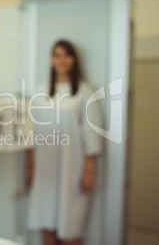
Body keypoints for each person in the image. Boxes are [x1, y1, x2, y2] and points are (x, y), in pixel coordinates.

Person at [26, 40, 102, 245]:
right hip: (44, 166)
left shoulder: (85, 91)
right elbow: (33, 130)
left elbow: (91, 131)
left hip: (72, 167)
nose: (61, 60)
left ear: (73, 60)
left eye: (66, 55)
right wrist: (30, 165)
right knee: (46, 223)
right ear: (51, 60)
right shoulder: (40, 90)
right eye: (57, 55)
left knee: (70, 228)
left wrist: (89, 170)